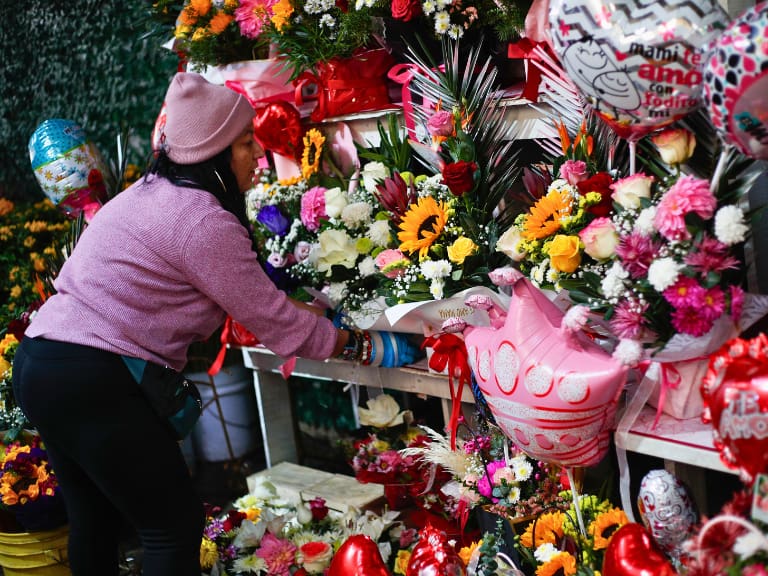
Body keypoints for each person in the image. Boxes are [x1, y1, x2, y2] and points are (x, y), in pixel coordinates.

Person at [12, 72, 419, 575]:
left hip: (42, 360)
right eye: (246, 143)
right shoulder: (200, 220)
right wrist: (367, 346)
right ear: (213, 154)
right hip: (91, 375)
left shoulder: (152, 192)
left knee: (94, 518)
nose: (258, 155)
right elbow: (279, 326)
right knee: (171, 528)